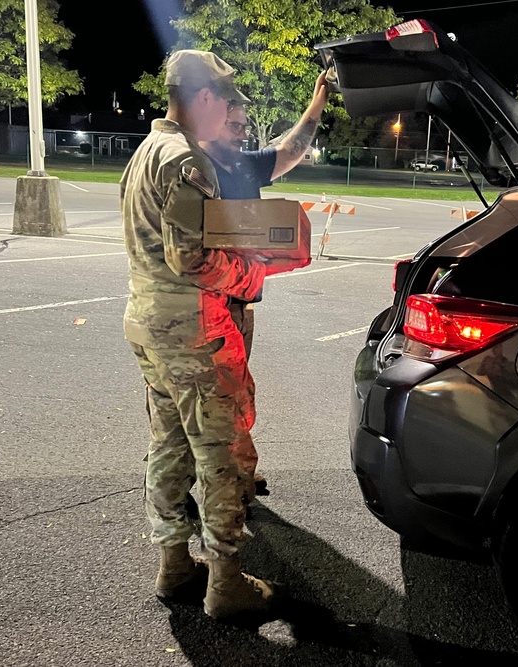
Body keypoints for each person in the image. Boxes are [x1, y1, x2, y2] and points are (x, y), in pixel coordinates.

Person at [120, 49, 308, 621]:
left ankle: (175, 565)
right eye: (228, 100)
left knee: (169, 444)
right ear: (204, 98)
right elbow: (193, 259)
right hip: (195, 329)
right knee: (222, 450)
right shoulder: (184, 161)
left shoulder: (144, 153)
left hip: (149, 323)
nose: (232, 111)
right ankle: (226, 585)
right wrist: (255, 275)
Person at [200, 70, 330, 497]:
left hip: (239, 305)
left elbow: (290, 150)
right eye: (233, 125)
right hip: (197, 306)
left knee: (236, 393)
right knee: (200, 397)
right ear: (210, 118)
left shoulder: (243, 165)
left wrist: (316, 107)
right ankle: (195, 478)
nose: (240, 134)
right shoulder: (192, 169)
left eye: (242, 127)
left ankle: (237, 469)